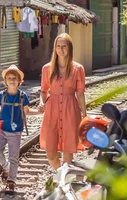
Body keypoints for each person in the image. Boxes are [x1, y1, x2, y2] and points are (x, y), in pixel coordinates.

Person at [38, 33, 87, 169]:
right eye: (58, 46)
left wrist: (84, 114)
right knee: (50, 153)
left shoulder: (78, 69)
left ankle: (64, 183)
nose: (61, 49)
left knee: (68, 152)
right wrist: (42, 102)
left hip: (70, 110)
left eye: (64, 46)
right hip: (51, 110)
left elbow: (80, 93)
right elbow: (43, 90)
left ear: (69, 48)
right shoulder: (47, 68)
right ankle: (61, 174)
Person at [0, 65, 38, 193]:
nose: (12, 80)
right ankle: (5, 166)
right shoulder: (2, 95)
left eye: (14, 78)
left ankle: (11, 181)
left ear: (19, 81)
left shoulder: (22, 96)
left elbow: (27, 111)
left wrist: (40, 112)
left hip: (15, 131)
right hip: (1, 129)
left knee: (14, 157)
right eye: (9, 78)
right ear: (5, 81)